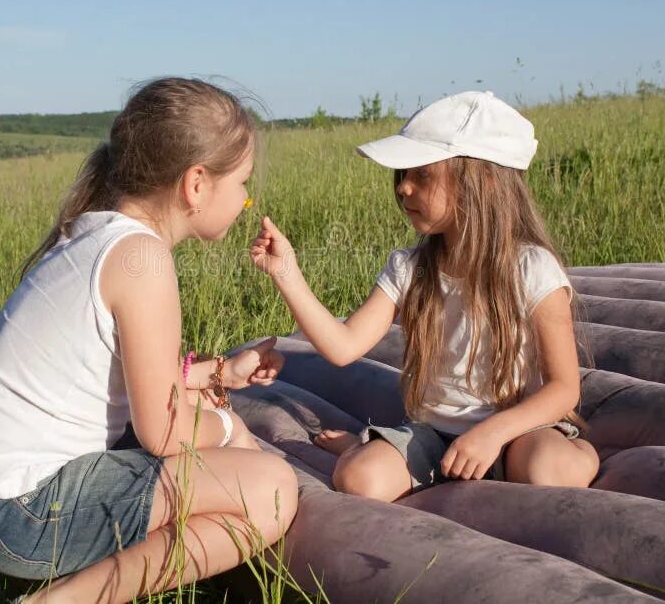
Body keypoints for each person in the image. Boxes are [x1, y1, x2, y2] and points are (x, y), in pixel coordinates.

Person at [0, 78, 298, 603]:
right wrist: (229, 427)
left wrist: (217, 374)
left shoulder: (99, 234)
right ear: (196, 184)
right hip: (14, 515)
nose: (247, 198)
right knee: (272, 490)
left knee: (214, 428)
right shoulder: (143, 259)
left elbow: (116, 376)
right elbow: (162, 432)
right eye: (242, 183)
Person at [250, 90, 600, 503]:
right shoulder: (409, 268)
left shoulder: (531, 268)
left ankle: (580, 449)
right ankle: (365, 448)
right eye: (402, 176)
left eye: (423, 175)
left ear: (484, 180)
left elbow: (564, 387)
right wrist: (286, 274)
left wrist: (492, 433)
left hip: (517, 432)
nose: (404, 189)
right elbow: (344, 348)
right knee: (359, 478)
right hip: (434, 435)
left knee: (551, 470)